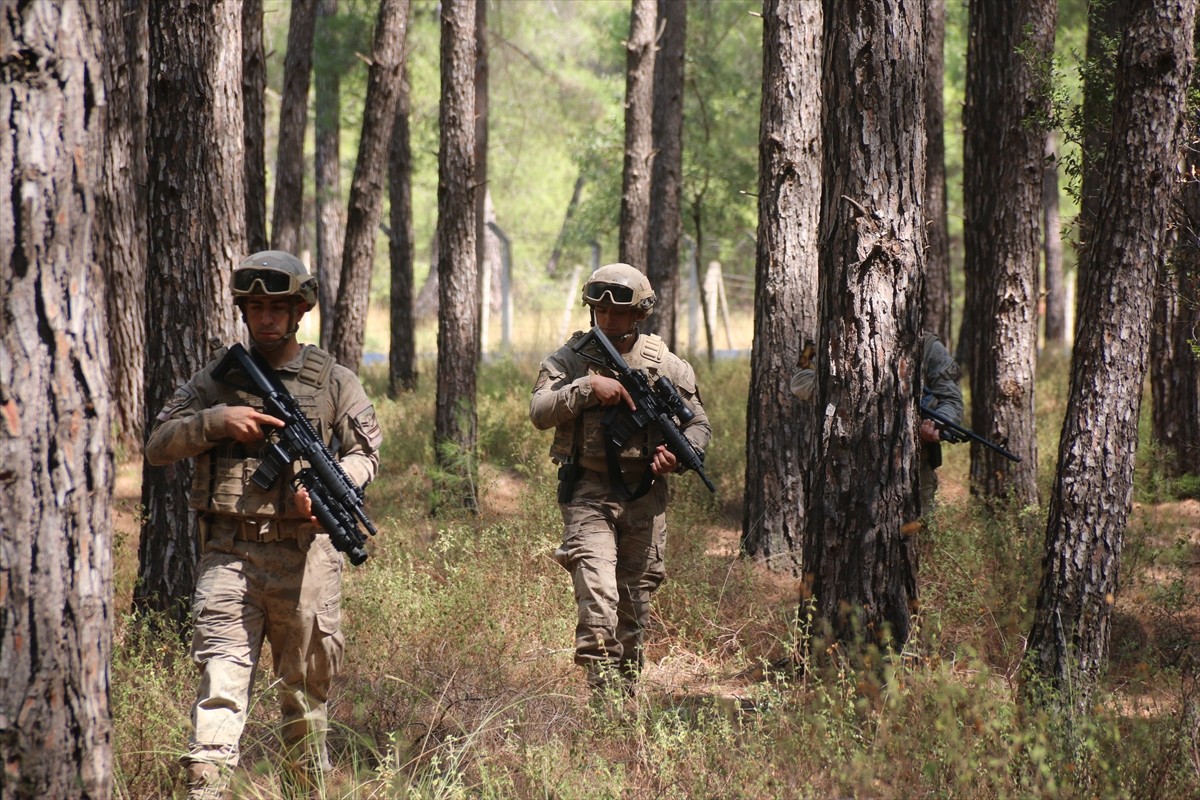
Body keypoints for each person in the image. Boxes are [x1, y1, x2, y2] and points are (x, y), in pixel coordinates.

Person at [145, 251, 382, 799]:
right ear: (243, 312)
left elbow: (366, 454)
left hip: (305, 559)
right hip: (229, 555)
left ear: (300, 311)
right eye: (256, 307)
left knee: (304, 699)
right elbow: (158, 446)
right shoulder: (215, 379)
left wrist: (325, 494)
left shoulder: (333, 381)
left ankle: (304, 792)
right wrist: (217, 421)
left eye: (279, 307)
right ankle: (206, 790)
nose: (267, 318)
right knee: (220, 690)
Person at [529, 263, 711, 703]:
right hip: (588, 492)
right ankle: (601, 696)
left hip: (646, 495)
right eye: (600, 310)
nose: (609, 320)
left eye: (619, 312)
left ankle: (624, 700)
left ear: (641, 313)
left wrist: (680, 455)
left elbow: (698, 424)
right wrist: (588, 387)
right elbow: (540, 410)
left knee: (634, 603)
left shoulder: (665, 364)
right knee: (598, 595)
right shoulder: (570, 359)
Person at [790, 331, 963, 513]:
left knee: (917, 533)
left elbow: (952, 401)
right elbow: (799, 380)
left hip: (909, 468)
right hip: (842, 465)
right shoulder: (833, 336)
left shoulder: (927, 345)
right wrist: (849, 395)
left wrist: (934, 424)